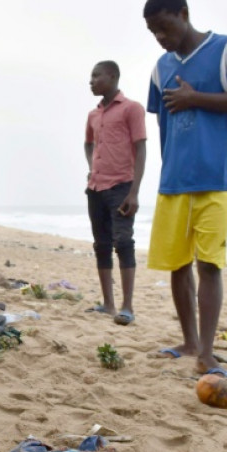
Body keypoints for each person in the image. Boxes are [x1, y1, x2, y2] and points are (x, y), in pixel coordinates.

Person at [143, 0, 227, 382]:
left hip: (214, 178)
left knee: (209, 263)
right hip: (174, 181)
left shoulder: (226, 50)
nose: (160, 37)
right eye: (153, 32)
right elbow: (162, 125)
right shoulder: (160, 68)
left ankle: (207, 353)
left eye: (164, 27)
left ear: (183, 13)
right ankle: (189, 342)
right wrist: (164, 171)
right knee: (177, 265)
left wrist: (196, 98)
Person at [84, 60, 147, 326]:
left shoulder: (132, 109)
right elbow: (88, 144)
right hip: (96, 187)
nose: (91, 81)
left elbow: (141, 148)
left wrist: (134, 192)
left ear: (112, 76)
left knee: (123, 243)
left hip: (121, 186)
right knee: (101, 245)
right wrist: (91, 169)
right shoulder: (93, 115)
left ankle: (127, 306)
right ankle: (108, 304)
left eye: (96, 76)